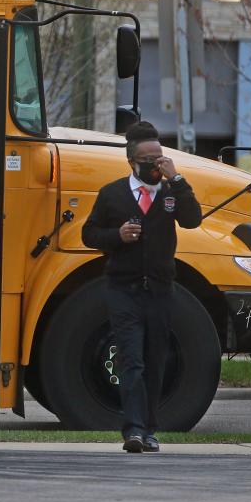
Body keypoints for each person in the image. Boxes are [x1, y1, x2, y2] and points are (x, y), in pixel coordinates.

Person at [81, 121, 201, 454]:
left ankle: (149, 429)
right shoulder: (112, 194)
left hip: (161, 290)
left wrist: (177, 178)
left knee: (155, 359)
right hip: (123, 289)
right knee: (131, 359)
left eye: (160, 159)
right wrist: (115, 236)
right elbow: (89, 235)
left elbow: (193, 219)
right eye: (149, 161)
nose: (156, 166)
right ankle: (133, 430)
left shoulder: (171, 194)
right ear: (132, 162)